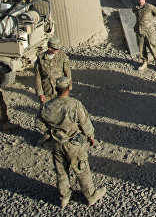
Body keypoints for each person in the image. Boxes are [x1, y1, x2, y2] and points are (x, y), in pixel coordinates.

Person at [36, 76, 107, 208]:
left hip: (56, 144)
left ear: (56, 89)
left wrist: (52, 133)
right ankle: (91, 196)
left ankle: (64, 197)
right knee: (81, 169)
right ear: (69, 88)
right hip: (73, 144)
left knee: (61, 171)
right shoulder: (75, 105)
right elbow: (85, 123)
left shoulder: (47, 106)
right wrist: (91, 136)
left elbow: (38, 123)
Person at [35, 37, 72, 103]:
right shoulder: (41, 58)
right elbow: (37, 76)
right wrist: (40, 93)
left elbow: (67, 72)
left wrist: (69, 87)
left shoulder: (62, 56)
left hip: (60, 90)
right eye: (56, 49)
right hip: (47, 91)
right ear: (49, 48)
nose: (58, 50)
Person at [134, 0, 156, 72]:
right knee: (141, 47)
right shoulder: (135, 7)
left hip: (148, 30)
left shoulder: (149, 7)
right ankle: (144, 62)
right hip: (139, 30)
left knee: (152, 46)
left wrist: (150, 20)